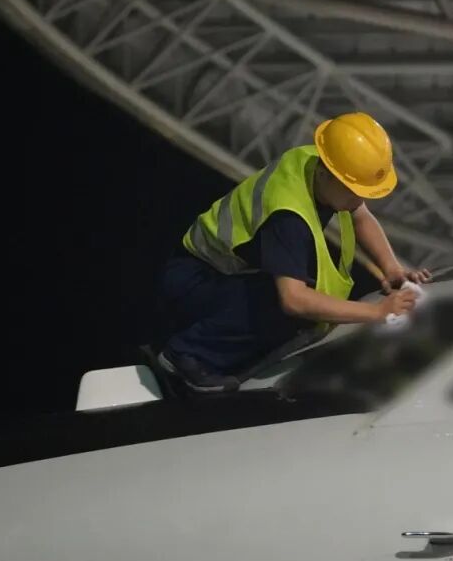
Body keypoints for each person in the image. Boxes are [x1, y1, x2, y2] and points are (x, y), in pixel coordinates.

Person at [157, 111, 432, 392]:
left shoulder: (320, 164)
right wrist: (376, 312)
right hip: (194, 278)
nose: (358, 199)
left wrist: (392, 269)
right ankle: (188, 354)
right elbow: (294, 301)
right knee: (285, 302)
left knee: (302, 285)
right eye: (353, 191)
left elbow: (361, 216)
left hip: (221, 272)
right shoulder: (288, 217)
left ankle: (230, 342)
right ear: (328, 174)